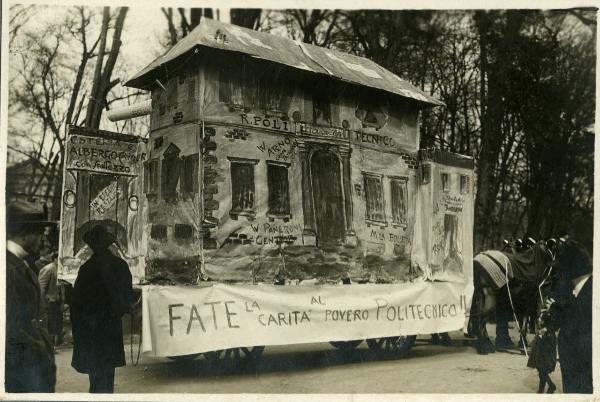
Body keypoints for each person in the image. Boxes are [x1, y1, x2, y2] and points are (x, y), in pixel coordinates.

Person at [70, 225, 133, 393]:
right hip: (111, 326)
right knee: (107, 371)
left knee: (95, 372)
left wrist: (79, 326)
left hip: (91, 328)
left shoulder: (86, 269)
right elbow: (127, 297)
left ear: (92, 246)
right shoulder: (120, 265)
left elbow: (76, 302)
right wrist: (116, 313)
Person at [5, 201, 56, 392]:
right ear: (25, 234)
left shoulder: (20, 264)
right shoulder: (9, 269)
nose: (42, 240)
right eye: (39, 233)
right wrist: (40, 352)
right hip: (23, 374)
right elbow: (11, 329)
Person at [549, 239, 593, 393]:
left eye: (561, 271)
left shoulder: (592, 295)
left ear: (569, 271)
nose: (559, 276)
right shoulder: (576, 291)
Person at [526, 310, 557, 393]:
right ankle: (549, 386)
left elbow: (547, 344)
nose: (539, 320)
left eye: (541, 318)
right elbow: (537, 340)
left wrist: (541, 336)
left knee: (542, 371)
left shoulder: (548, 332)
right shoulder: (542, 330)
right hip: (540, 354)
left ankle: (545, 388)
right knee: (541, 371)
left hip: (545, 356)